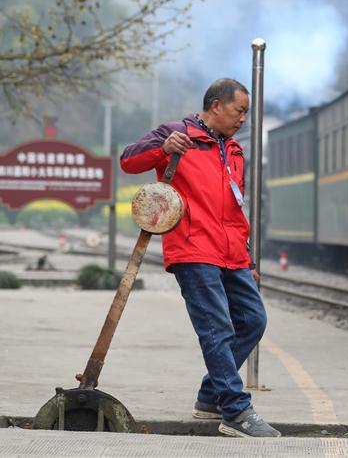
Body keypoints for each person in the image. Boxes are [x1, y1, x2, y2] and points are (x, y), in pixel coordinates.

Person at [120, 78, 280, 438]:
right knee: (217, 328)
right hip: (193, 251)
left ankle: (210, 397)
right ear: (216, 106)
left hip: (232, 254)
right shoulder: (177, 134)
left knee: (253, 319)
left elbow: (236, 209)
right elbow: (128, 160)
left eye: (246, 113)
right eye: (239, 111)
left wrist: (248, 260)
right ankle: (236, 411)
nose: (243, 119)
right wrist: (163, 148)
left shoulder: (234, 150)